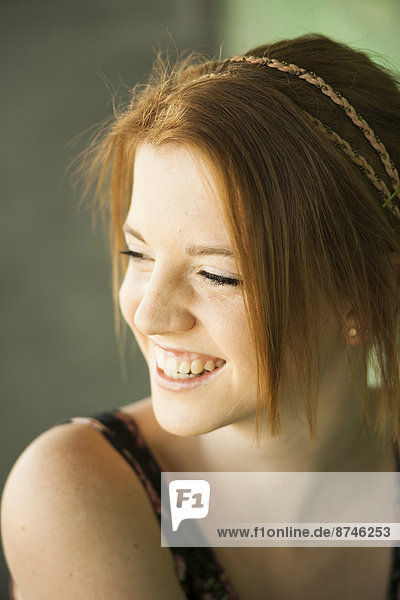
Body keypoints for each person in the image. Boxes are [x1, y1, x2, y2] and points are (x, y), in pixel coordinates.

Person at [1, 32, 400, 600]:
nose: (150, 313)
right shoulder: (74, 491)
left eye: (218, 274)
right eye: (137, 254)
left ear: (369, 291)